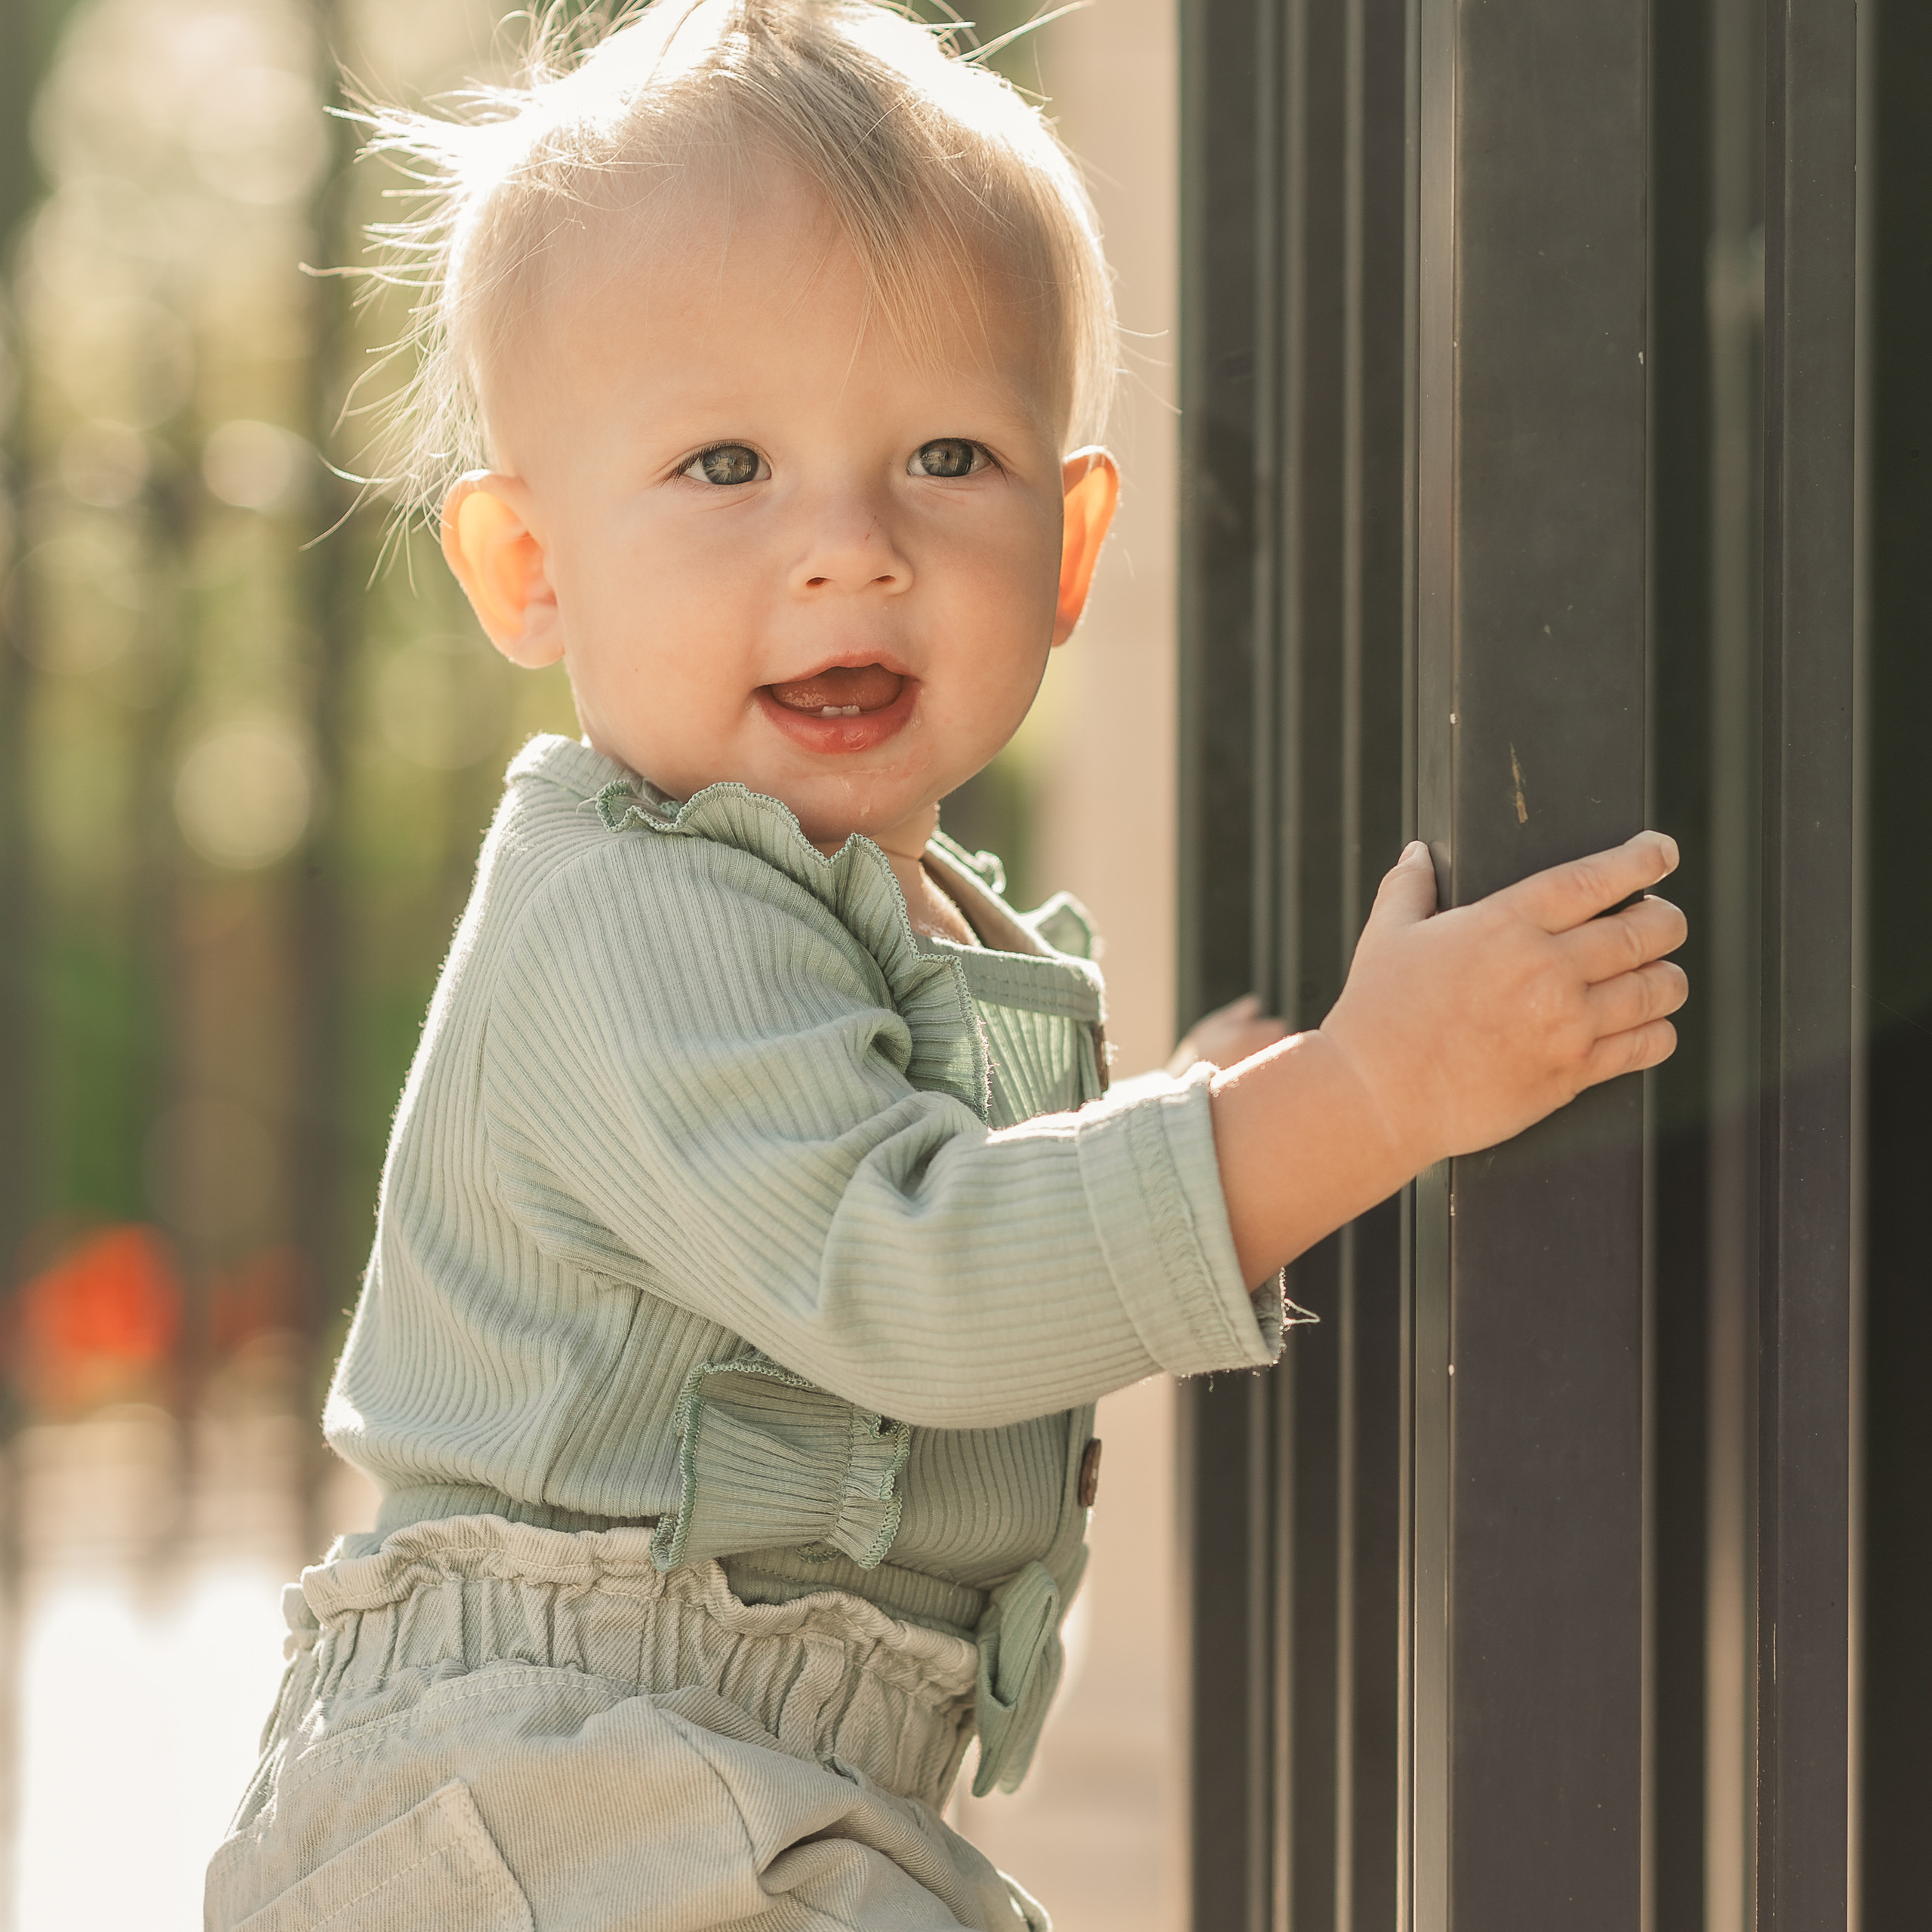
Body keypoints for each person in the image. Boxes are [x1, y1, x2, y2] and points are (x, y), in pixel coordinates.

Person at [203, 4, 1687, 1927]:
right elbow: (906, 1268)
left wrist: (1199, 1112)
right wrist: (1358, 1101)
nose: (849, 544)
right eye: (725, 460)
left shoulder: (884, 920)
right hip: (554, 1790)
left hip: (728, 1791)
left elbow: (943, 1203)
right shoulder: (626, 917)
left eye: (944, 454)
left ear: (1068, 545)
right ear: (526, 566)